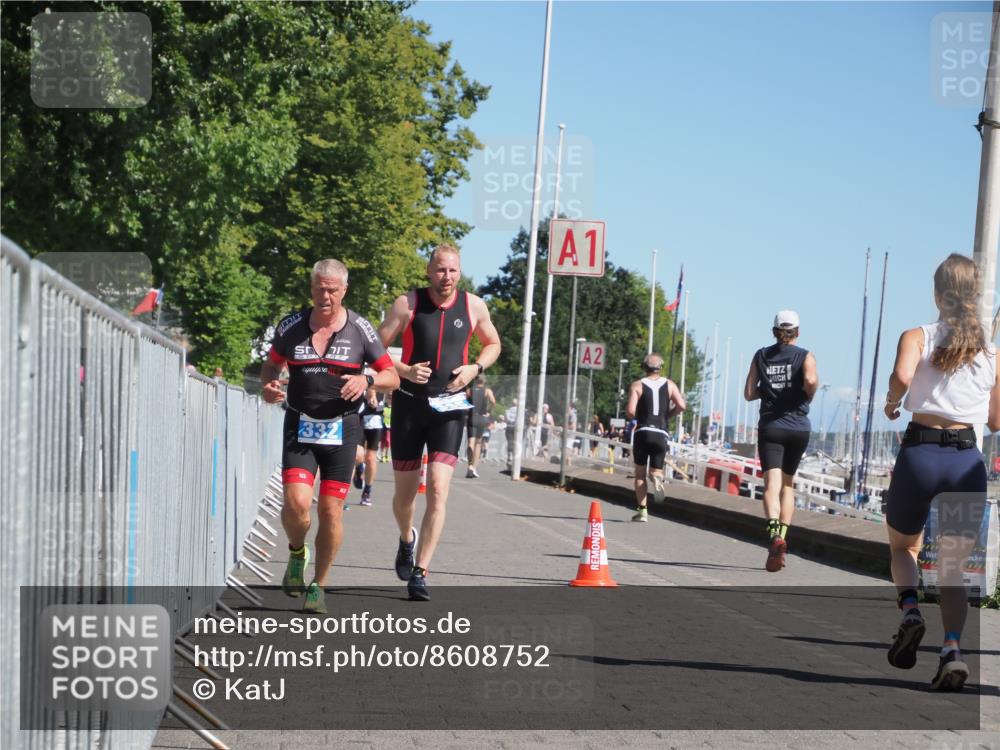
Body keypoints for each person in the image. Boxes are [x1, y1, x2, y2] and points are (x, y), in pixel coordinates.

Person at [881, 254, 999, 691]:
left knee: (904, 546)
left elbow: (901, 375)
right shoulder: (992, 353)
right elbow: (996, 421)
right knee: (953, 568)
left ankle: (911, 610)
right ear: (975, 295)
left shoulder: (917, 336)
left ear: (936, 293)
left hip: (920, 454)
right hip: (965, 461)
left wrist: (893, 402)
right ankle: (952, 650)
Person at [261, 259, 399, 614]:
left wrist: (367, 379)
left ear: (344, 291)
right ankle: (296, 553)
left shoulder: (360, 329)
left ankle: (318, 586)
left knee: (330, 511)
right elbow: (271, 364)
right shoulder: (291, 326)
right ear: (311, 289)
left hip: (342, 428)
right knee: (296, 504)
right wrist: (269, 384)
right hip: (300, 425)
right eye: (319, 289)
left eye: (332, 290)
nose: (325, 296)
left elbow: (392, 377)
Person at [378, 245, 501, 600]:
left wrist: (475, 368)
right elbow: (375, 347)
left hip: (450, 407)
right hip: (409, 405)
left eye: (453, 270)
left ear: (459, 272)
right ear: (429, 271)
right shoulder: (408, 304)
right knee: (404, 498)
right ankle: (407, 539)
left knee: (437, 487)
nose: (447, 277)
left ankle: (421, 571)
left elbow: (493, 344)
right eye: (440, 270)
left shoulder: (474, 306)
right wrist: (404, 370)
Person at [744, 310, 819, 572]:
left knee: (771, 484)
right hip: (798, 427)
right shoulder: (805, 356)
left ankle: (773, 533)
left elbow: (749, 393)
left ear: (774, 331)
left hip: (771, 427)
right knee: (788, 484)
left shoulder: (761, 355)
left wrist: (768, 389)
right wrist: (807, 394)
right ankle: (783, 536)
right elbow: (810, 380)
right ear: (797, 332)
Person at [625, 353, 686, 522]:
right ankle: (657, 478)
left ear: (644, 367)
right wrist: (667, 416)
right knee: (655, 470)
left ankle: (642, 511)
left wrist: (638, 418)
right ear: (661, 368)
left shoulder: (637, 385)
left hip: (643, 431)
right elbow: (682, 405)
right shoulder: (670, 385)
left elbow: (630, 411)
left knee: (640, 474)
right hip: (661, 433)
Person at [354, 387, 386, 506]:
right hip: (359, 419)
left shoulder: (382, 377)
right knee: (357, 454)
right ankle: (359, 469)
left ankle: (367, 491)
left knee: (370, 458)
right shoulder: (360, 376)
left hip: (375, 419)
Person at [465, 374, 495, 478]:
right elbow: (493, 401)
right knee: (478, 443)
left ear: (475, 381)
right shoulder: (487, 391)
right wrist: (489, 411)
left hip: (471, 418)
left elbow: (463, 401)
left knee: (471, 443)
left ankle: (469, 465)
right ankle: (474, 467)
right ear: (484, 381)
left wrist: (467, 410)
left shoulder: (469, 390)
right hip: (481, 418)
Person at [504, 399, 518, 470]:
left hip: (509, 427)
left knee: (509, 442)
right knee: (516, 443)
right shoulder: (520, 410)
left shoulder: (508, 410)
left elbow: (506, 419)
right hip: (516, 428)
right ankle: (514, 458)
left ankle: (509, 456)